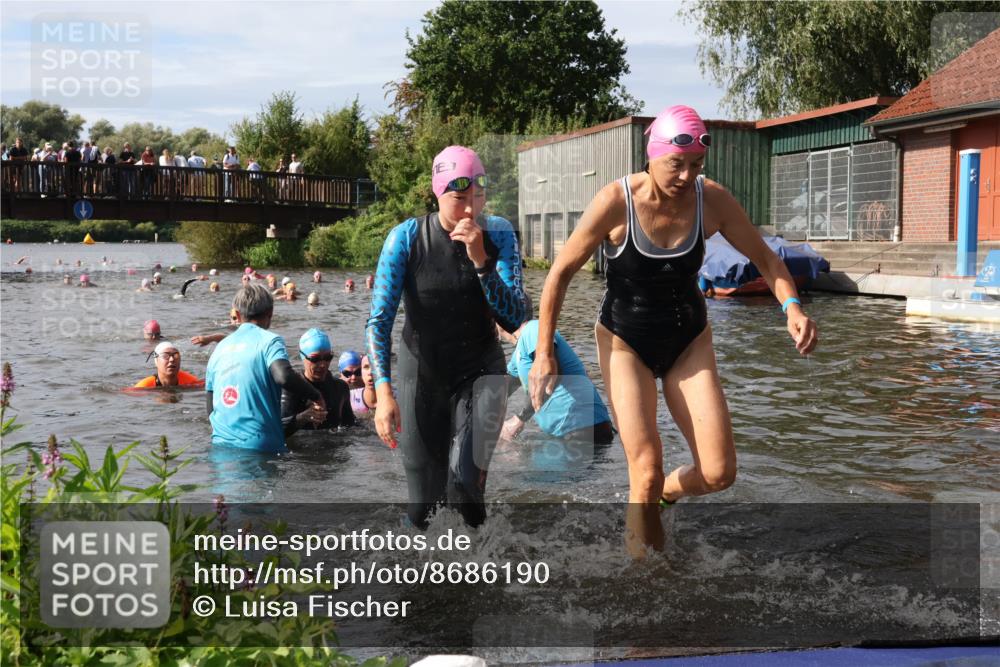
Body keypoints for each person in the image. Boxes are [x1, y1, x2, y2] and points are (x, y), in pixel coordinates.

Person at [527, 105, 818, 556]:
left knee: (719, 474)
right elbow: (560, 273)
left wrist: (792, 307)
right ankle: (647, 573)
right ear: (652, 156)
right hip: (625, 341)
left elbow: (765, 258)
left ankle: (668, 491)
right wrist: (544, 351)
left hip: (688, 340)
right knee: (644, 470)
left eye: (696, 165)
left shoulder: (712, 200)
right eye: (676, 164)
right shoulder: (616, 201)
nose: (686, 176)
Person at [366, 145, 527, 529]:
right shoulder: (405, 239)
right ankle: (419, 565)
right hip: (422, 373)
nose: (471, 209)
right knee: (424, 504)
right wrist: (384, 395)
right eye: (460, 198)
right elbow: (378, 322)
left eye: (478, 196)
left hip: (482, 371)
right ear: (438, 192)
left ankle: (486, 562)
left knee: (465, 487)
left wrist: (481, 262)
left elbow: (515, 315)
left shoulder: (499, 234)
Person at [205, 284, 325, 452]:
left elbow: (210, 407)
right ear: (270, 313)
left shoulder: (219, 349)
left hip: (220, 444)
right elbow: (283, 376)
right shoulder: (270, 341)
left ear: (237, 315)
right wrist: (316, 395)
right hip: (260, 445)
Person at [498, 303, 614, 446]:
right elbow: (501, 390)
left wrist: (518, 419)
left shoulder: (533, 329)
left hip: (580, 428)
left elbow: (549, 376)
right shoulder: (520, 352)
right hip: (572, 430)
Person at [281, 328, 356, 437]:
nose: (322, 364)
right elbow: (278, 431)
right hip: (302, 447)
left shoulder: (340, 388)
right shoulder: (291, 389)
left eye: (327, 358)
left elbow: (350, 427)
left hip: (335, 447)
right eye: (315, 359)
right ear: (302, 357)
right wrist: (304, 417)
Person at [134, 341, 204, 388]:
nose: (172, 359)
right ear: (156, 362)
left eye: (175, 355)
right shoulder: (143, 386)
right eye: (165, 356)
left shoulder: (192, 382)